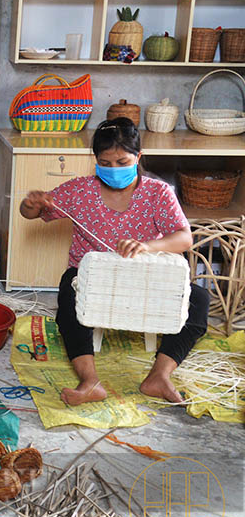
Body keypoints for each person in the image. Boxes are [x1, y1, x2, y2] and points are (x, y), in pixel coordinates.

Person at [20, 118, 209, 406]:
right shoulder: (79, 191)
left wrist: (147, 246)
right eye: (105, 163)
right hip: (94, 280)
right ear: (95, 161)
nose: (114, 169)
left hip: (145, 277)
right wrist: (31, 205)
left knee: (198, 300)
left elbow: (184, 238)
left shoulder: (158, 193)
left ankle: (159, 375)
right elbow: (32, 212)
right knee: (69, 290)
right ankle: (90, 381)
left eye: (122, 161)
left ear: (138, 158)